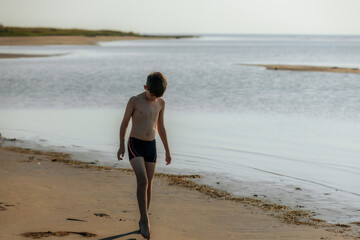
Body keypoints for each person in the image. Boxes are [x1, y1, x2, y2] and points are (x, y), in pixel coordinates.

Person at [117, 72, 171, 239]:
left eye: (157, 96)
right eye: (151, 94)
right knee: (143, 180)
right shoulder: (134, 100)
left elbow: (161, 127)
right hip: (135, 145)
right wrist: (121, 145)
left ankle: (142, 219)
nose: (153, 98)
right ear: (145, 87)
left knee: (149, 183)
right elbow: (125, 123)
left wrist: (168, 151)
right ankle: (146, 221)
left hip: (151, 146)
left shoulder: (160, 103)